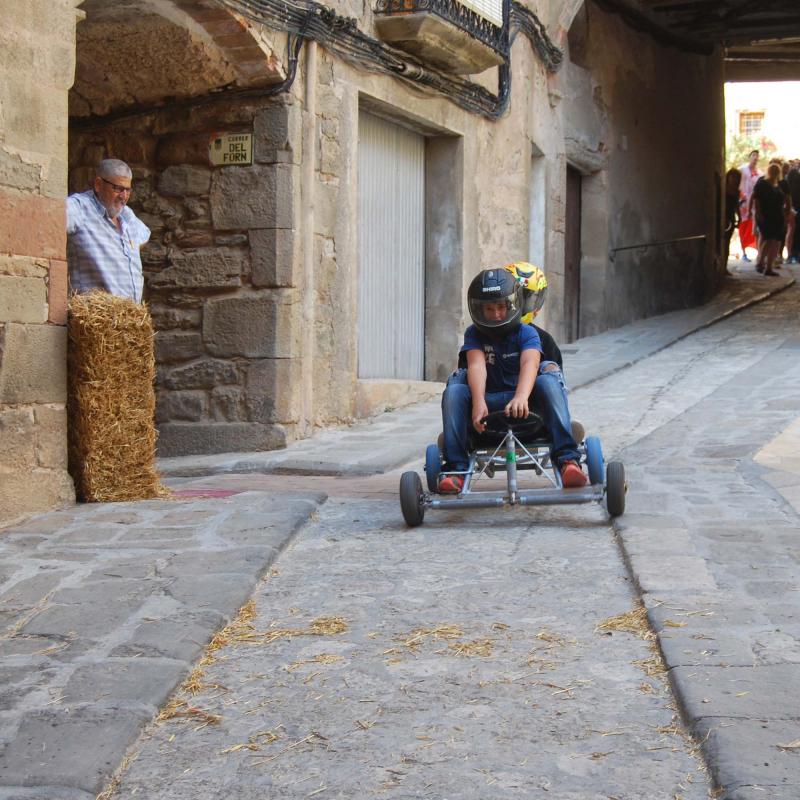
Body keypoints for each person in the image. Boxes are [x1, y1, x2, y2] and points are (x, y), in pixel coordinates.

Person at [438, 265, 587, 494]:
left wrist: (521, 396)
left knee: (548, 380)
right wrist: (478, 402)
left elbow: (530, 363)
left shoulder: (527, 333)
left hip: (528, 408)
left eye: (500, 307)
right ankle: (456, 470)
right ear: (478, 309)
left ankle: (568, 460)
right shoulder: (474, 335)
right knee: (455, 390)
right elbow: (477, 365)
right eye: (489, 309)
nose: (496, 314)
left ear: (512, 305)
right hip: (489, 409)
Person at [66, 158, 150, 302]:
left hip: (129, 319)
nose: (124, 197)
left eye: (128, 190)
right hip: (95, 318)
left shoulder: (126, 214)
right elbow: (50, 222)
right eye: (118, 189)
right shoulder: (79, 207)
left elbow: (144, 237)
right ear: (98, 184)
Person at [752, 163, 790, 276]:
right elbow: (756, 200)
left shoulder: (778, 185)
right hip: (766, 216)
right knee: (768, 239)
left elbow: (786, 199)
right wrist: (758, 214)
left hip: (777, 216)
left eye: (776, 171)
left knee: (775, 242)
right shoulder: (762, 184)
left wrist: (786, 213)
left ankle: (768, 267)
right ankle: (760, 262)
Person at [738, 150, 761, 260]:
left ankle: (759, 252)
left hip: (754, 204)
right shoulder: (742, 170)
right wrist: (740, 195)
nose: (755, 157)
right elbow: (737, 183)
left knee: (755, 226)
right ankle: (744, 253)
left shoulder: (760, 173)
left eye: (757, 155)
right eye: (753, 155)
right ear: (749, 157)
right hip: (743, 203)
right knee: (743, 226)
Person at [723, 167, 742, 272]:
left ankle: (724, 267)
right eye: (732, 176)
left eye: (736, 177)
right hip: (722, 216)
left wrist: (739, 217)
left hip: (730, 217)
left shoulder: (736, 191)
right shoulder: (723, 189)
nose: (734, 179)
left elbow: (736, 205)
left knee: (727, 242)